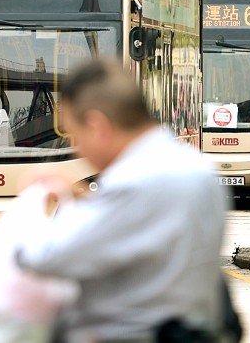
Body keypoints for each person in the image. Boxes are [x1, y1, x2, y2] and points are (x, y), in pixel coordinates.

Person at [12, 59, 230, 343]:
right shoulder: (196, 169)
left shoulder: (135, 181)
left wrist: (33, 211)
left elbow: (43, 256)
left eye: (76, 136)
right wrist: (82, 197)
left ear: (97, 126)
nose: (78, 148)